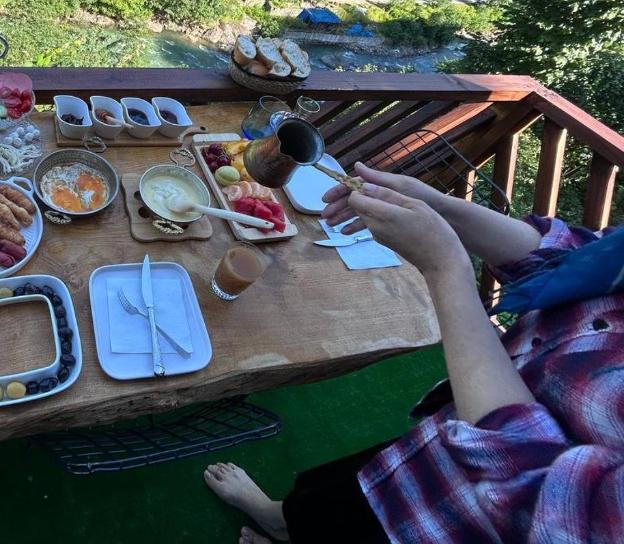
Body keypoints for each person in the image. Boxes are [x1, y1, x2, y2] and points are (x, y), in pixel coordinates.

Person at [204, 162, 624, 543]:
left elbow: (541, 505)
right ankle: (280, 522)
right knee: (331, 501)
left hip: (454, 528)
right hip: (430, 455)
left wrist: (445, 267)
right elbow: (571, 258)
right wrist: (439, 206)